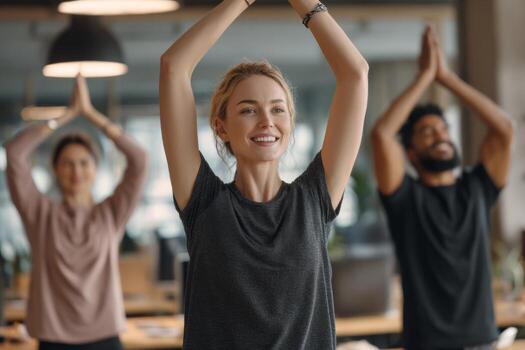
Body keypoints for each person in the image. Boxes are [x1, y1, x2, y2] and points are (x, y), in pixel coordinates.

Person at [159, 0, 368, 348]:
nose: (266, 121)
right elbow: (173, 67)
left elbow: (355, 74)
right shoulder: (203, 201)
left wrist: (306, 4)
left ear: (289, 123)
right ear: (221, 127)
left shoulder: (315, 199)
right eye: (248, 110)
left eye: (277, 109)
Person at [371, 26, 514, 350]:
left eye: (443, 127)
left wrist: (446, 77)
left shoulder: (478, 187)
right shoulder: (404, 196)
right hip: (426, 344)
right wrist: (425, 77)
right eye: (426, 132)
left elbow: (504, 129)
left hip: (483, 341)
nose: (439, 135)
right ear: (410, 152)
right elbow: (381, 134)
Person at [4, 76, 148, 350]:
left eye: (84, 163)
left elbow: (140, 159)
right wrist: (65, 116)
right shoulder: (39, 213)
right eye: (67, 163)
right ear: (55, 170)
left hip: (105, 336)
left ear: (95, 169)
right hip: (53, 338)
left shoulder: (111, 213)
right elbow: (14, 153)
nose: (77, 171)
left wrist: (92, 115)